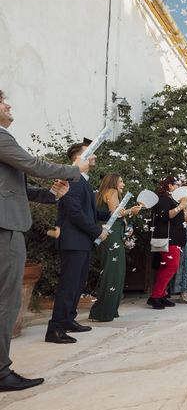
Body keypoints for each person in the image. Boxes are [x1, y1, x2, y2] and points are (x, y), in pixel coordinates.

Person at [0, 90, 88, 391]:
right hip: (4, 228)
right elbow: (34, 165)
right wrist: (75, 171)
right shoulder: (0, 137)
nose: (9, 104)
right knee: (6, 301)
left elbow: (20, 190)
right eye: (2, 101)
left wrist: (53, 194)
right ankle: (0, 372)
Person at [45, 142, 110, 344]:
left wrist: (116, 213)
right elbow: (75, 213)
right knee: (68, 285)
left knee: (77, 284)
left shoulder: (82, 180)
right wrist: (97, 230)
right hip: (73, 241)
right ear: (77, 158)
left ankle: (68, 321)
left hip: (81, 241)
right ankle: (55, 328)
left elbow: (88, 212)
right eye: (90, 154)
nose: (94, 157)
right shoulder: (72, 179)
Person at [88, 174, 141, 322]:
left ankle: (107, 309)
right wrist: (132, 210)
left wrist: (126, 227)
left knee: (113, 270)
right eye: (121, 181)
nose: (123, 184)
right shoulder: (111, 191)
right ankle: (103, 312)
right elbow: (115, 213)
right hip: (110, 237)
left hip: (111, 234)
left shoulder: (101, 194)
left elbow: (116, 216)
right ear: (113, 182)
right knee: (113, 271)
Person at [147, 176, 187, 310]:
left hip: (174, 238)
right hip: (169, 238)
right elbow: (165, 216)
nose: (178, 187)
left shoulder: (171, 199)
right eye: (177, 184)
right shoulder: (163, 199)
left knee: (165, 267)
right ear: (169, 186)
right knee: (172, 266)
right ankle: (155, 296)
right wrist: (181, 206)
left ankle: (161, 295)